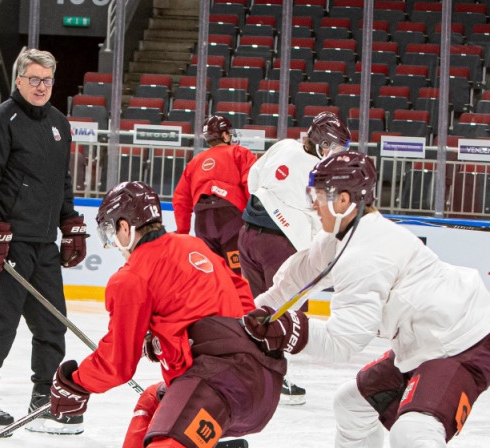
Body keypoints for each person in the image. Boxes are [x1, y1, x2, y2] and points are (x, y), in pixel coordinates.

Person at [243, 150, 490, 447]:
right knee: (352, 405)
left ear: (344, 200)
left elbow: (344, 341)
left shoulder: (365, 255)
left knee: (413, 434)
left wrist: (288, 329)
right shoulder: (340, 238)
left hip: (463, 342)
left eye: (318, 196)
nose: (313, 206)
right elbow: (294, 281)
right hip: (425, 339)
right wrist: (250, 317)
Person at [48, 181, 299, 448]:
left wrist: (76, 384)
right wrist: (168, 340)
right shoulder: (194, 245)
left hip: (220, 386)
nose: (113, 244)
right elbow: (239, 297)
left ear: (125, 227)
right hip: (261, 382)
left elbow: (117, 363)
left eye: (110, 233)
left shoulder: (131, 277)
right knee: (152, 401)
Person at [0, 48, 89, 436]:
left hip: (44, 242)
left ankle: (44, 397)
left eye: (47, 80)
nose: (40, 87)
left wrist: (69, 222)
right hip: (10, 241)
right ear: (18, 80)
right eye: (33, 79)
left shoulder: (58, 124)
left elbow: (61, 182)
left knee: (52, 326)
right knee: (1, 323)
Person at [237, 111, 351, 404]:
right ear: (323, 143)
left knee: (258, 307)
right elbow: (323, 218)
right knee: (283, 311)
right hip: (282, 244)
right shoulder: (322, 172)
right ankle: (273, 379)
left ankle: (246, 371)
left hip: (248, 235)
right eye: (336, 147)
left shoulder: (283, 145)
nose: (336, 154)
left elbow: (252, 178)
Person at [172, 115, 256, 275]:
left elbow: (180, 199)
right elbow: (251, 185)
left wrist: (182, 230)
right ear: (225, 135)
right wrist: (253, 218)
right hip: (231, 218)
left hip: (203, 222)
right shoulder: (240, 153)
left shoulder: (195, 162)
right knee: (238, 275)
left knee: (211, 275)